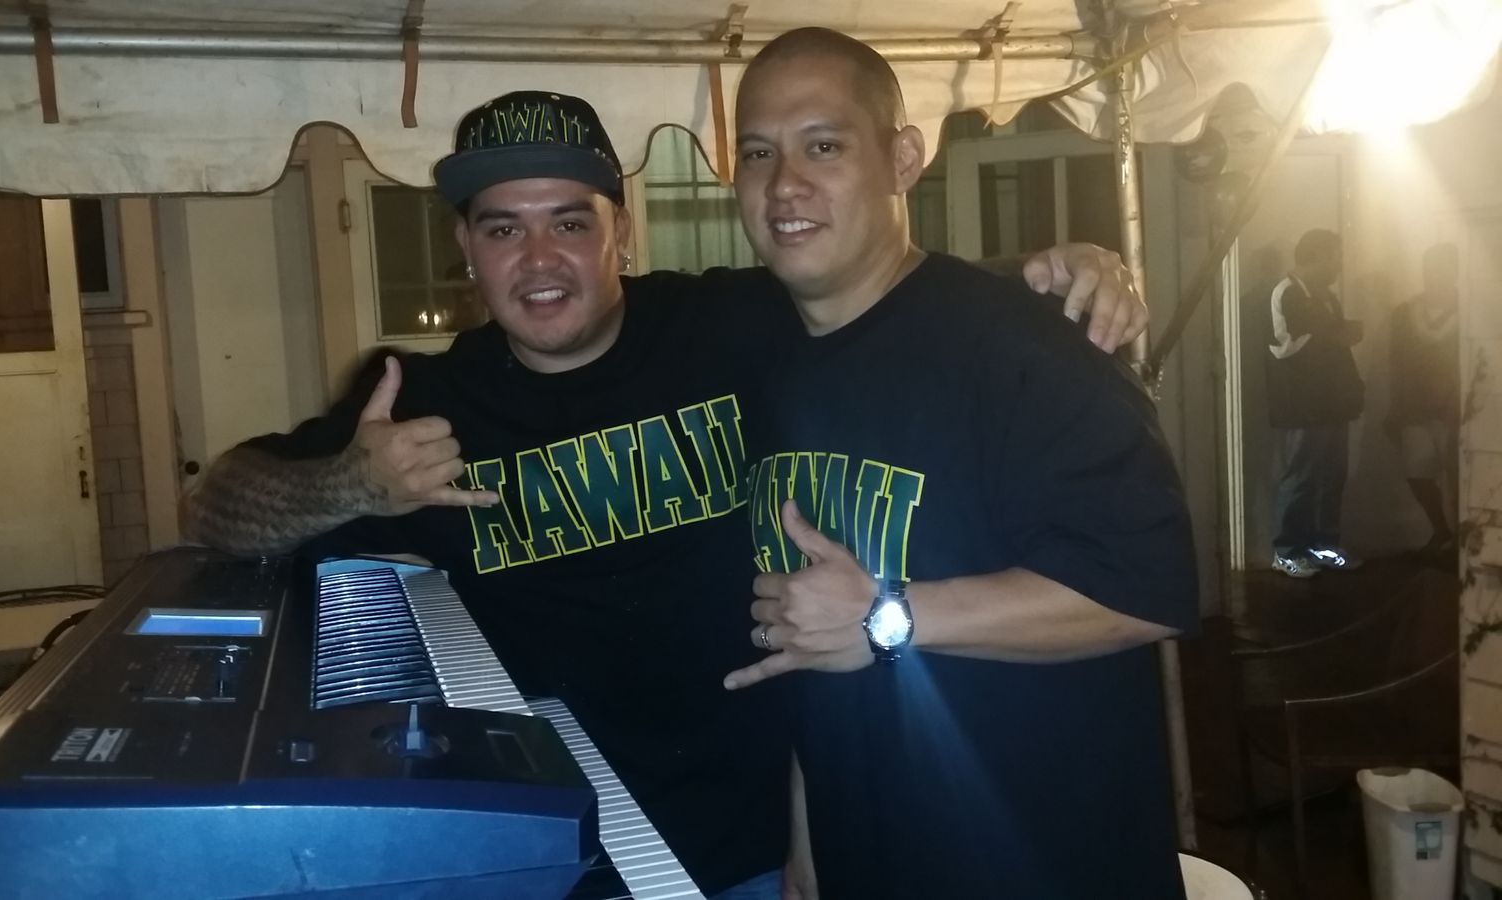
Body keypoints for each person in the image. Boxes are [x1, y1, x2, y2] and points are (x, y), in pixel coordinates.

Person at [183, 90, 1144, 898]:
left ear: (622, 233)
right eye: (504, 228)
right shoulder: (419, 405)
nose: (539, 258)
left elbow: (891, 295)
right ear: (467, 250)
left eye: (570, 221)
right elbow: (218, 506)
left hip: (763, 846)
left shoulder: (728, 325)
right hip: (557, 856)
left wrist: (1054, 276)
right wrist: (349, 482)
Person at [715, 28, 1197, 899]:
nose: (784, 184)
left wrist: (888, 616)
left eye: (824, 146)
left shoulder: (1026, 342)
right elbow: (813, 630)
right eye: (758, 153)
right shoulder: (771, 361)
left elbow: (1145, 588)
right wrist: (806, 836)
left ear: (903, 159)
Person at [1265, 228, 1365, 578]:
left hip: (1333, 404)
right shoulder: (1285, 292)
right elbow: (1281, 347)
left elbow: (1330, 341)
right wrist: (1333, 337)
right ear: (1316, 256)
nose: (1339, 264)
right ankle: (1287, 553)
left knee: (1331, 477)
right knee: (1301, 478)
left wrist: (1343, 335)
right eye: (1334, 256)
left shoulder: (1326, 296)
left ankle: (1323, 548)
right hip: (1303, 407)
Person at [1387, 243, 1461, 561]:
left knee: (1460, 477)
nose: (1434, 275)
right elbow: (1396, 363)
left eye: (1442, 268)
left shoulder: (1470, 310)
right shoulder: (1404, 314)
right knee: (1417, 473)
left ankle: (1463, 542)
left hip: (1456, 409)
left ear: (1454, 271)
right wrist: (1397, 408)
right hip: (1414, 408)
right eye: (1429, 268)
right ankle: (1442, 531)